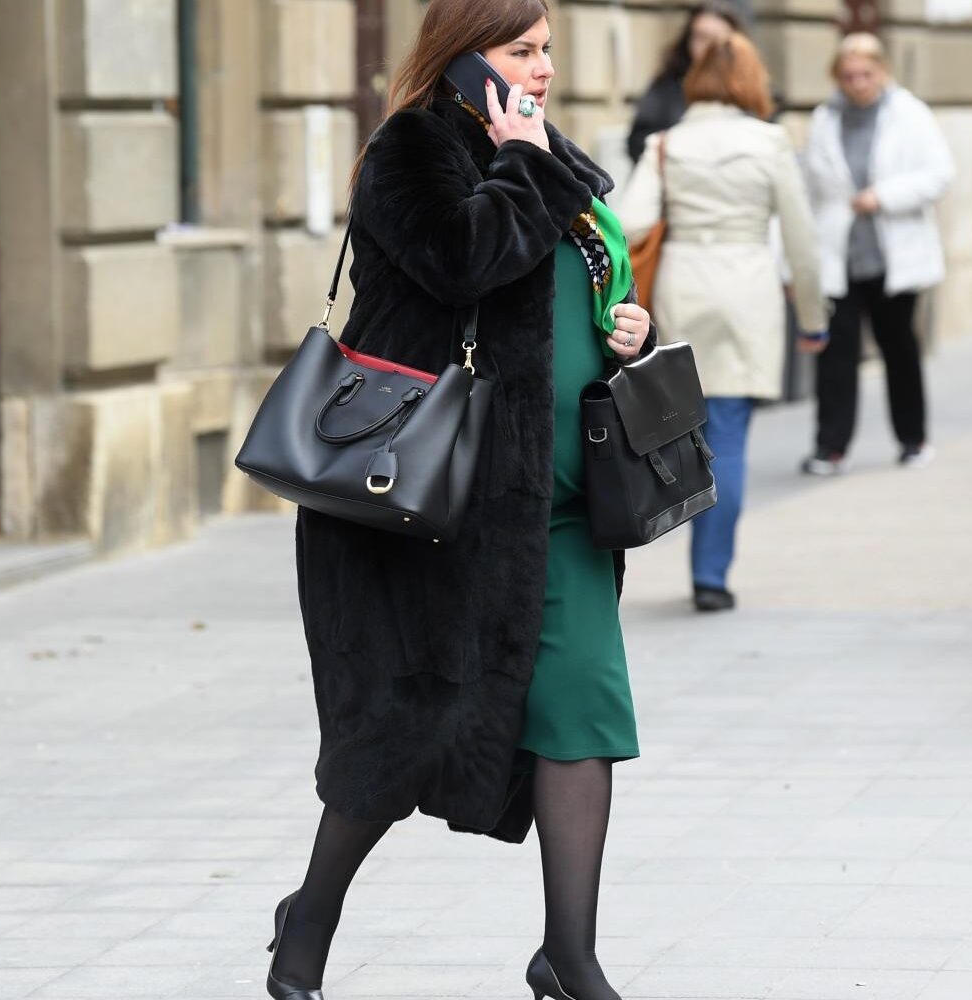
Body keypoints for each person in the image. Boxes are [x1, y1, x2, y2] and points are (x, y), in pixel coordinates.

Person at [277, 0, 653, 997]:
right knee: (402, 725)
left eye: (547, 51)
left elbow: (585, 282)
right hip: (436, 503)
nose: (542, 70)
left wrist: (630, 329)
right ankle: (309, 919)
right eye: (521, 51)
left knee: (581, 715)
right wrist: (523, 161)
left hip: (562, 507)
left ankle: (568, 955)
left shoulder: (549, 154)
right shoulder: (412, 151)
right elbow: (463, 262)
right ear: (463, 55)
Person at [618, 33, 826, 613]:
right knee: (729, 433)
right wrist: (813, 319)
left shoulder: (665, 144)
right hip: (747, 287)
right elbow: (803, 243)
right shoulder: (771, 142)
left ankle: (679, 538)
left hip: (682, 286)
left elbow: (629, 224)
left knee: (686, 427)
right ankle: (710, 575)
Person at [800, 32, 954, 475]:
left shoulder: (909, 113)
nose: (858, 83)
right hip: (839, 256)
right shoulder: (825, 119)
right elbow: (809, 191)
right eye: (848, 75)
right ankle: (830, 447)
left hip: (893, 257)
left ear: (882, 71)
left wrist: (883, 196)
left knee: (900, 350)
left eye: (866, 74)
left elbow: (940, 174)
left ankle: (913, 439)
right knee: (836, 356)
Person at [624, 1, 740, 163]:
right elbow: (637, 143)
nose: (710, 48)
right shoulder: (667, 87)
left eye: (718, 40)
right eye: (701, 37)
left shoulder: (749, 90)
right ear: (688, 40)